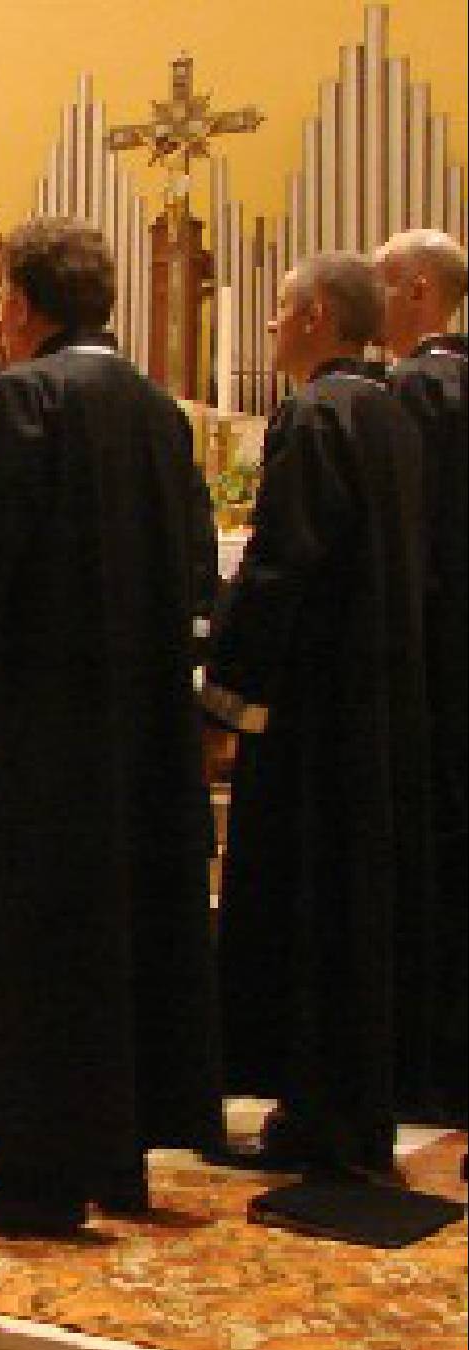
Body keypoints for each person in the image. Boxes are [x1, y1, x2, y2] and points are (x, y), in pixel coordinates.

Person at [0, 217, 222, 1234]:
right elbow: (195, 569)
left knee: (29, 937)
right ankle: (118, 1147)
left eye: (2, 303)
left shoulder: (21, 401)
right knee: (122, 931)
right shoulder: (157, 413)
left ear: (22, 304)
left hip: (31, 741)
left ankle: (34, 1170)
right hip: (136, 736)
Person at [200, 252, 431, 1177]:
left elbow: (282, 564)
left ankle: (318, 1116)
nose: (271, 324)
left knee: (306, 907)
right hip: (376, 698)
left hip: (314, 711)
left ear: (318, 316)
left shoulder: (315, 414)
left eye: (282, 308)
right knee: (353, 910)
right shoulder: (390, 412)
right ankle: (341, 1107)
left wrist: (223, 693)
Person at [374, 228, 467, 1128]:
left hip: (425, 659)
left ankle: (423, 1060)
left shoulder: (413, 393)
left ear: (418, 292)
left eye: (382, 280)